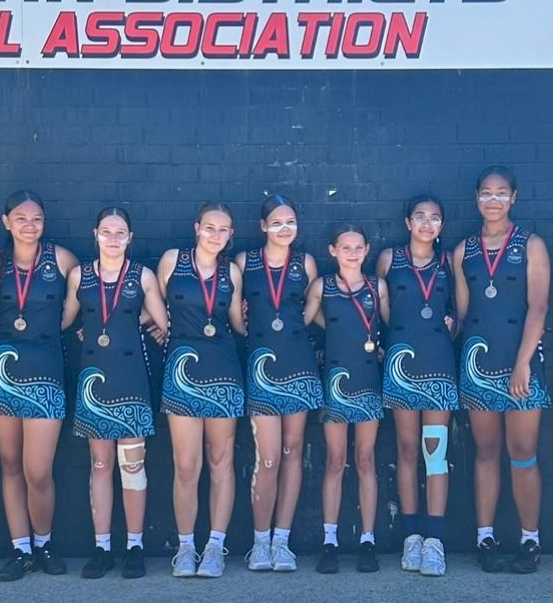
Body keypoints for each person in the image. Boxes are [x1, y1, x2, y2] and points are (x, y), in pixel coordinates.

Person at [453, 166, 552, 575]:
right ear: (476, 197)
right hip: (478, 363)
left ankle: (530, 540)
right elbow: (461, 313)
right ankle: (486, 537)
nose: (493, 200)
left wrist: (523, 363)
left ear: (514, 197)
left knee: (523, 453)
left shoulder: (531, 244)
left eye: (501, 193)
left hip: (520, 363)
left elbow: (539, 307)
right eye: (486, 193)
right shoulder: (463, 250)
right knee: (486, 451)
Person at [62, 207, 169, 580]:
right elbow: (64, 319)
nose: (112, 238)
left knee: (132, 465)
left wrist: (130, 320)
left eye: (119, 232)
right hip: (94, 380)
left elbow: (163, 319)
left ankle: (135, 547)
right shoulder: (80, 275)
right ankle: (102, 548)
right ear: (95, 234)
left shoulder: (142, 276)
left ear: (130, 237)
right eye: (106, 231)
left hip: (131, 379)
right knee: (100, 464)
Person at [0, 190, 79, 581]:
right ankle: (20, 549)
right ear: (6, 222)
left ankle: (44, 543)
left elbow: (96, 291)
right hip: (2, 371)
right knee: (9, 465)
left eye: (36, 218)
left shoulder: (63, 259)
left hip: (47, 371)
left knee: (38, 470)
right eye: (20, 218)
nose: (29, 225)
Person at [157, 202, 246, 578]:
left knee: (220, 461)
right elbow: (154, 302)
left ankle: (214, 547)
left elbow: (239, 325)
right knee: (186, 465)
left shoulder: (232, 271)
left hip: (223, 368)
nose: (215, 235)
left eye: (223, 229)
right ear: (196, 227)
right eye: (209, 227)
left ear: (231, 235)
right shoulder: (172, 260)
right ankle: (186, 547)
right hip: (180, 368)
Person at [234, 195, 322, 572]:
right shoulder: (244, 262)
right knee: (267, 458)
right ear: (263, 226)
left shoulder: (305, 263)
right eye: (277, 222)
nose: (285, 229)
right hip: (261, 368)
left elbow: (313, 310)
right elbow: (234, 316)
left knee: (291, 452)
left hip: (299, 365)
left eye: (291, 222)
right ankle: (259, 542)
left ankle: (282, 541)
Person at [377, 194, 460, 577]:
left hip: (439, 364)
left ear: (442, 225)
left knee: (435, 452)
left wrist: (452, 326)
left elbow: (460, 313)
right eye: (420, 217)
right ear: (408, 222)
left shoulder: (450, 262)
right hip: (401, 362)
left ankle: (435, 540)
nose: (427, 224)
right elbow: (382, 312)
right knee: (407, 449)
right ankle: (411, 536)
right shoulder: (388, 260)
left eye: (435, 218)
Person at [304, 224, 388, 575]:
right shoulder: (322, 286)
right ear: (333, 250)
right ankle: (330, 541)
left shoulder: (377, 286)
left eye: (358, 247)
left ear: (367, 250)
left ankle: (368, 540)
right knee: (335, 461)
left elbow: (393, 325)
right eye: (345, 247)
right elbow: (306, 321)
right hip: (335, 381)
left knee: (366, 459)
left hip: (369, 379)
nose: (352, 253)